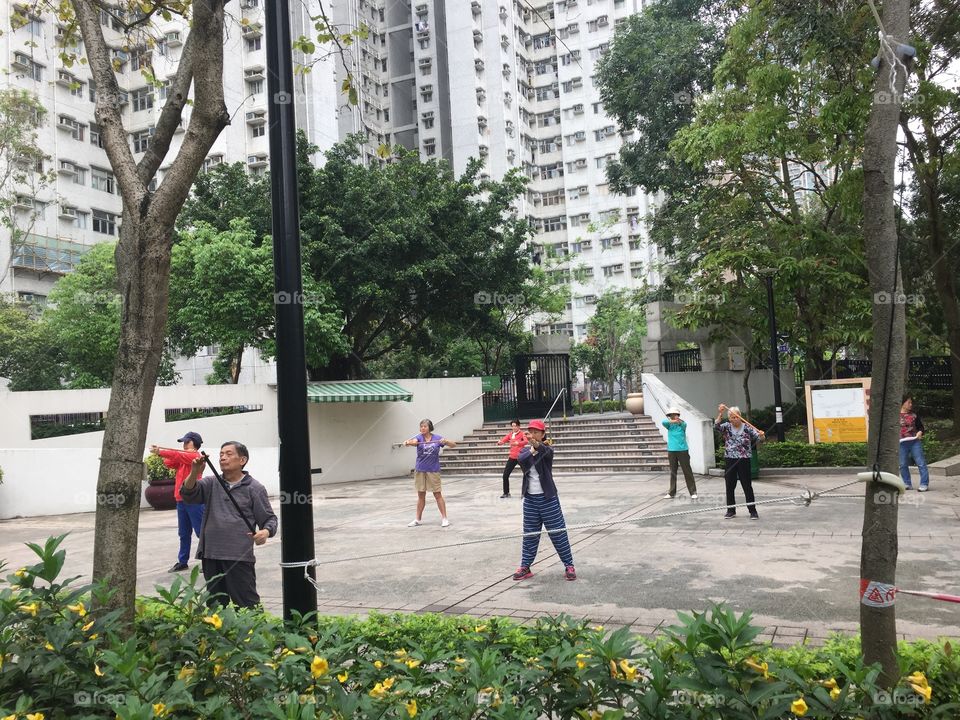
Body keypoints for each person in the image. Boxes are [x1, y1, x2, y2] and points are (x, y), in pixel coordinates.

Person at [181, 441, 277, 608]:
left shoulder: (254, 488)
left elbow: (270, 519)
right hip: (211, 554)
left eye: (228, 454)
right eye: (221, 454)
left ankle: (254, 634)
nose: (223, 457)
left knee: (248, 605)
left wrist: (265, 532)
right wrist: (195, 471)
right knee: (215, 606)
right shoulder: (211, 483)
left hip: (238, 555)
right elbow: (188, 494)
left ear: (242, 460)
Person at [512, 419, 576, 581]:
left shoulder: (547, 449)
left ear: (542, 434)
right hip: (530, 500)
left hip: (548, 499)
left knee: (558, 533)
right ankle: (525, 567)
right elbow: (521, 459)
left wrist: (538, 446)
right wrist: (532, 448)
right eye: (531, 432)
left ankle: (569, 565)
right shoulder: (525, 451)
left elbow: (548, 453)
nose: (533, 434)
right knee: (530, 534)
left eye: (536, 432)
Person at [149, 431, 205, 573]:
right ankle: (182, 561)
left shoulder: (195, 456)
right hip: (181, 499)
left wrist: (162, 451)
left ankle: (208, 559)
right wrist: (167, 454)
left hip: (194, 499)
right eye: (184, 442)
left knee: (201, 531)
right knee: (183, 533)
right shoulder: (185, 457)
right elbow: (169, 463)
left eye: (187, 442)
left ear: (195, 444)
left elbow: (178, 456)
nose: (185, 444)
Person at [715, 404, 765, 519]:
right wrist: (720, 413)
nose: (734, 419)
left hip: (744, 459)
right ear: (729, 418)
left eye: (736, 416)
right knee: (729, 485)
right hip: (730, 459)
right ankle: (731, 510)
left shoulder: (747, 427)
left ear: (740, 416)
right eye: (732, 417)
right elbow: (716, 426)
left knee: (747, 485)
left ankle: (752, 511)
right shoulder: (726, 426)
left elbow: (760, 439)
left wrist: (762, 435)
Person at [404, 419, 456, 527]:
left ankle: (445, 518)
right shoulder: (419, 438)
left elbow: (453, 445)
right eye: (421, 426)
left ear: (429, 428)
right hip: (420, 470)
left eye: (425, 426)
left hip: (433, 470)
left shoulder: (437, 438)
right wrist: (408, 443)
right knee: (421, 495)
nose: (422, 428)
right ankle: (418, 519)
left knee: (437, 494)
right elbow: (413, 442)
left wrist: (445, 441)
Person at [662, 408, 698, 500]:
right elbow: (664, 422)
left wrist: (678, 421)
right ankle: (671, 493)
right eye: (671, 415)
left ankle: (693, 492)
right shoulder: (669, 425)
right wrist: (672, 421)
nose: (673, 416)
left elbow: (684, 424)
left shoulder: (682, 424)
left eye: (675, 414)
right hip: (671, 451)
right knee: (673, 472)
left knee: (687, 471)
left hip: (683, 450)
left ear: (678, 415)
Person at [899, 395, 929, 491]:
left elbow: (921, 428)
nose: (910, 405)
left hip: (914, 442)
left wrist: (920, 432)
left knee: (921, 463)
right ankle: (907, 483)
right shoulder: (894, 415)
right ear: (902, 403)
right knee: (903, 464)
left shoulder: (914, 415)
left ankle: (924, 484)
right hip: (901, 443)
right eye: (909, 402)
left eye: (911, 403)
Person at [496, 419, 527, 498]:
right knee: (505, 475)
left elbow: (526, 441)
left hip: (521, 457)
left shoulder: (522, 434)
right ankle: (506, 493)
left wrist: (519, 443)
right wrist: (500, 442)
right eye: (512, 426)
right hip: (512, 457)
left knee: (526, 474)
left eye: (515, 426)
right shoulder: (510, 434)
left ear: (518, 426)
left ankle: (525, 493)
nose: (513, 427)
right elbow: (504, 440)